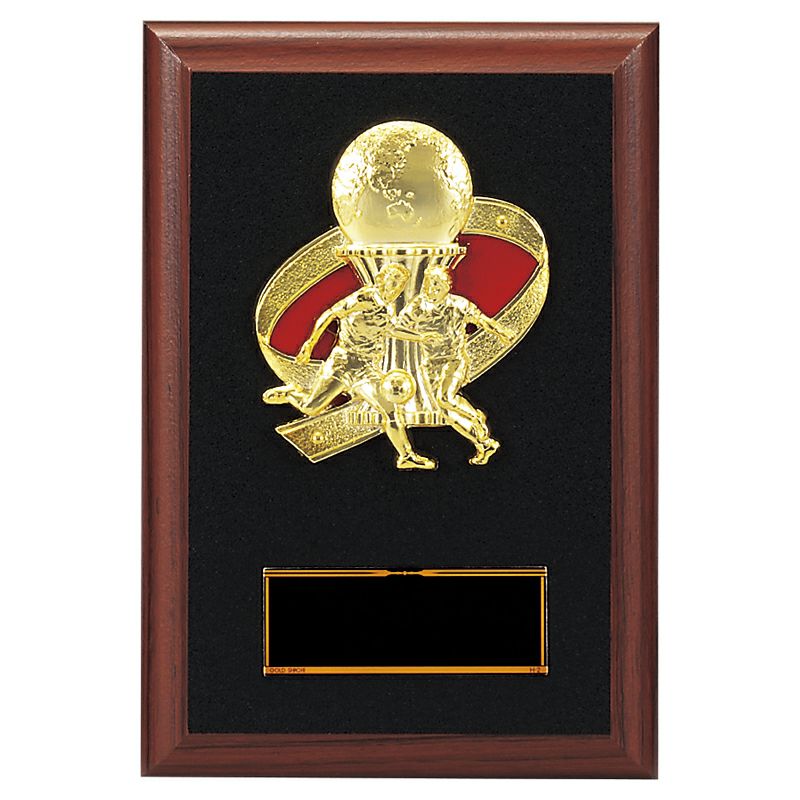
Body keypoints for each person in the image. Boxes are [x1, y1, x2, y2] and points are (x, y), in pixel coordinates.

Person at [262, 262, 436, 470]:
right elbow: (331, 313)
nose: (397, 287)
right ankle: (292, 393)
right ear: (382, 280)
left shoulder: (387, 309)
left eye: (401, 284)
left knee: (389, 409)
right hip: (343, 364)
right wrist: (310, 344)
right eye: (394, 280)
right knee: (311, 408)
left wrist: (421, 338)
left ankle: (406, 456)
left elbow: (391, 329)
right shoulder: (364, 298)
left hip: (365, 369)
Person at [393, 264, 516, 465]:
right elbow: (396, 329)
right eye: (428, 283)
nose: (431, 288)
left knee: (445, 398)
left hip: (454, 361)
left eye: (436, 284)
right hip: (430, 366)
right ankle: (484, 444)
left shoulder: (459, 305)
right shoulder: (418, 306)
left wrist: (501, 331)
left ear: (447, 286)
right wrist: (420, 337)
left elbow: (481, 320)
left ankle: (475, 417)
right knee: (447, 413)